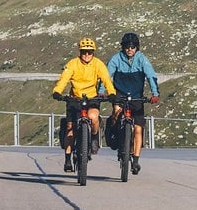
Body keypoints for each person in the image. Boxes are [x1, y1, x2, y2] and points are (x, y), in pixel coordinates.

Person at [52, 37, 116, 173]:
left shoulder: (98, 64)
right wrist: (57, 91)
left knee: (93, 117)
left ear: (93, 53)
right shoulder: (73, 64)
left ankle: (93, 137)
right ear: (80, 52)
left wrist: (111, 93)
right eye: (84, 52)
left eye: (90, 52)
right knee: (71, 128)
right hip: (75, 99)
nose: (87, 55)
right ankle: (68, 158)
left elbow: (106, 79)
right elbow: (64, 79)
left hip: (91, 98)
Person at [105, 31, 159, 175]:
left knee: (138, 129)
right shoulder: (116, 59)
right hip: (120, 94)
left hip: (136, 97)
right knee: (116, 112)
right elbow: (106, 76)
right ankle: (115, 134)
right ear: (123, 47)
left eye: (133, 46)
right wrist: (102, 91)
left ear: (137, 47)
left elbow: (151, 76)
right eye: (127, 46)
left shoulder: (142, 59)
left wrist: (155, 94)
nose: (130, 49)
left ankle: (135, 160)